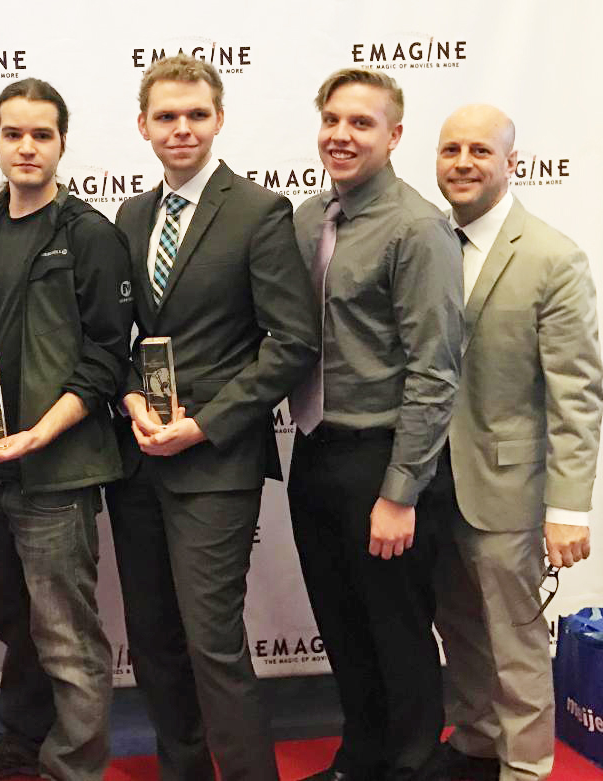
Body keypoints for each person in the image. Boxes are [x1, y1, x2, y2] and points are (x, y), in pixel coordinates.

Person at [106, 54, 320, 781]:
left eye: (196, 114)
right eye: (166, 116)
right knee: (154, 642)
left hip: (214, 461)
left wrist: (202, 424)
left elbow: (292, 341)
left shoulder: (259, 212)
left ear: (219, 119)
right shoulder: (132, 216)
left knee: (212, 643)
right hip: (137, 458)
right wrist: (134, 400)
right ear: (143, 125)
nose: (182, 128)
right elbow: (121, 338)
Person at [0, 78, 131, 781]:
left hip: (60, 471)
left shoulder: (89, 235)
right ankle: (23, 741)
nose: (26, 146)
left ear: (61, 143)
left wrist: (40, 433)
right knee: (15, 627)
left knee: (67, 636)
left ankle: (72, 766)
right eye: (13, 133)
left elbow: (108, 357)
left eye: (41, 134)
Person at [287, 68, 464, 781]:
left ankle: (415, 767)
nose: (342, 134)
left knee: (399, 637)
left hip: (386, 460)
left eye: (362, 123)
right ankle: (359, 758)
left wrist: (401, 490)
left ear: (394, 136)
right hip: (316, 453)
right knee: (343, 626)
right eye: (333, 119)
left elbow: (436, 369)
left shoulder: (418, 227)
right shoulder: (307, 219)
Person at [428, 104, 602, 781]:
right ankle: (475, 737)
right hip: (429, 483)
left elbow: (577, 393)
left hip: (508, 487)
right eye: (451, 150)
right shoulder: (427, 244)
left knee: (516, 636)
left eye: (479, 150)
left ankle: (527, 764)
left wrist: (568, 508)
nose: (463, 163)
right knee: (458, 623)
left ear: (512, 163)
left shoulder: (553, 257)